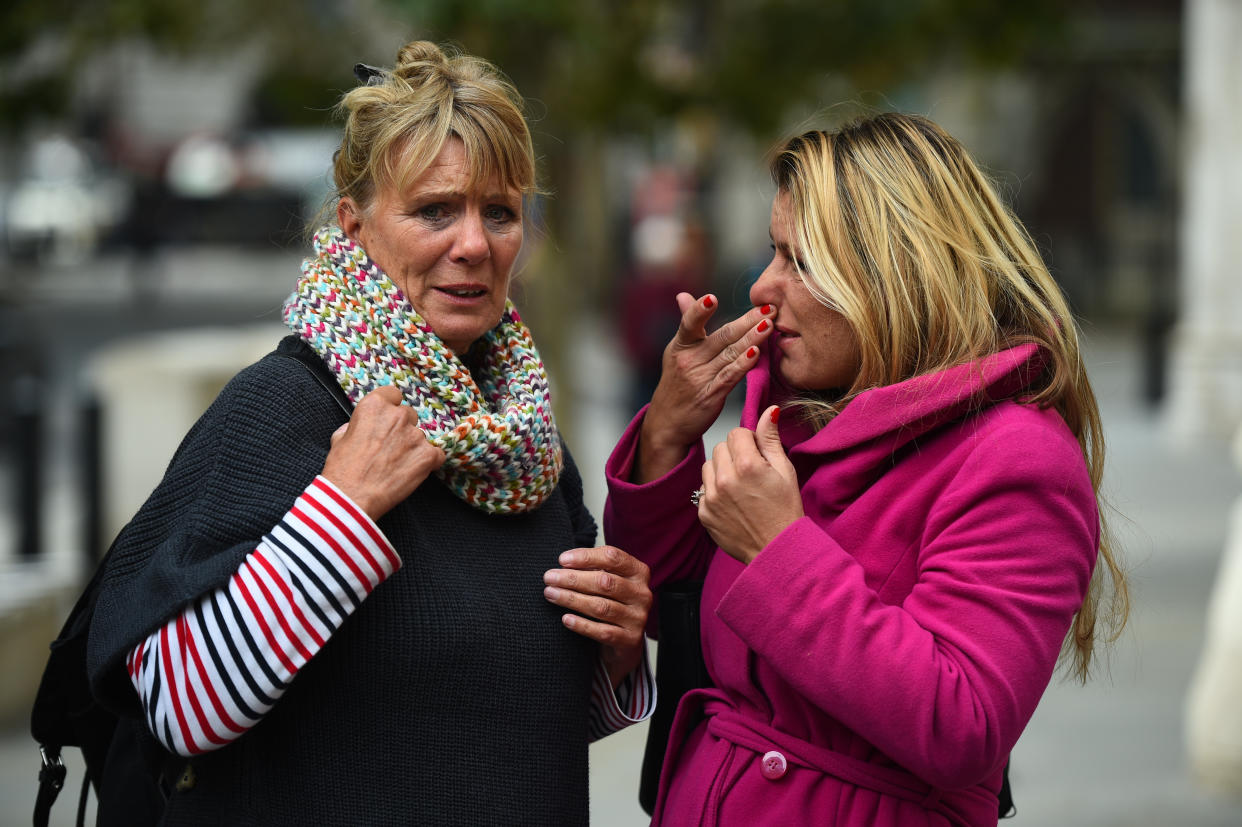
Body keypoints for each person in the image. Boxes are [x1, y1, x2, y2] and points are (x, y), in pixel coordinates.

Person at [85, 41, 654, 825]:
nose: (474, 244)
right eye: (434, 210)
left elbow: (504, 721)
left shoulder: (522, 442)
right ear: (354, 224)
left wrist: (617, 656)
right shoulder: (283, 406)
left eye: (500, 211)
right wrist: (340, 515)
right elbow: (180, 710)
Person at [604, 112, 1128, 826]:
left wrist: (778, 549)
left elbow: (962, 723)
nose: (763, 286)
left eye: (802, 262)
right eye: (772, 251)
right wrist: (667, 433)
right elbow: (677, 603)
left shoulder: (1017, 457)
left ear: (894, 272)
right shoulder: (803, 415)